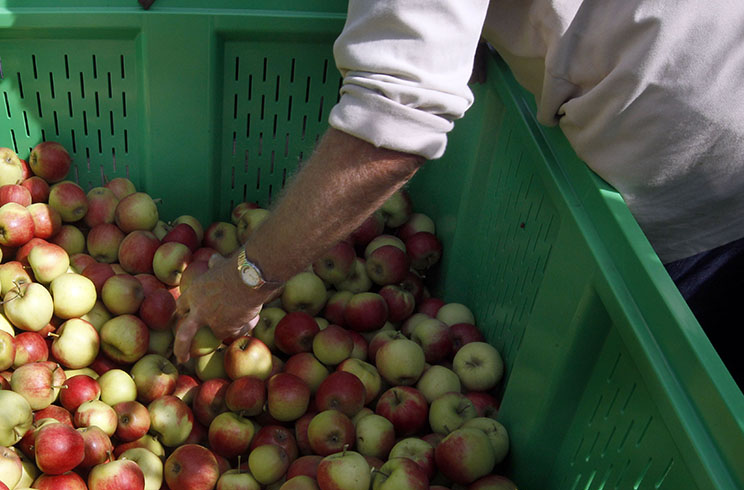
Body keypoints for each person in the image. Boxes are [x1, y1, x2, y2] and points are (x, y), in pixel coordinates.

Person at [173, 0, 744, 383]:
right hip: (706, 71)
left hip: (695, 155)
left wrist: (248, 278)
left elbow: (391, 125)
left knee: (690, 388)